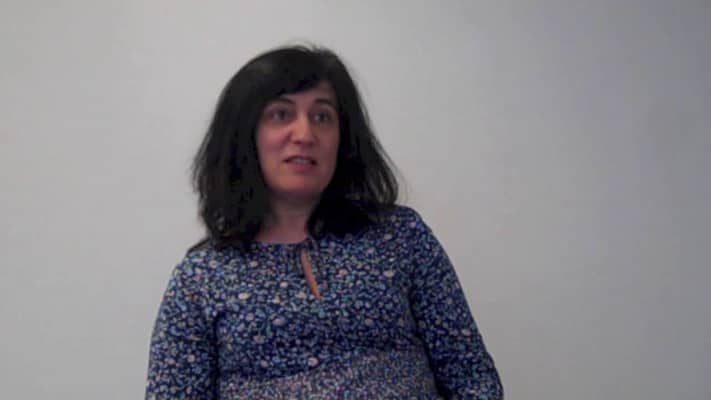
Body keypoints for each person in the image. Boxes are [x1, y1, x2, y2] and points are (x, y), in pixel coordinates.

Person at [145, 45, 503, 399]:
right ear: (245, 136)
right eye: (281, 114)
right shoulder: (201, 278)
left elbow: (471, 376)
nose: (305, 134)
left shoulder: (400, 236)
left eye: (322, 117)